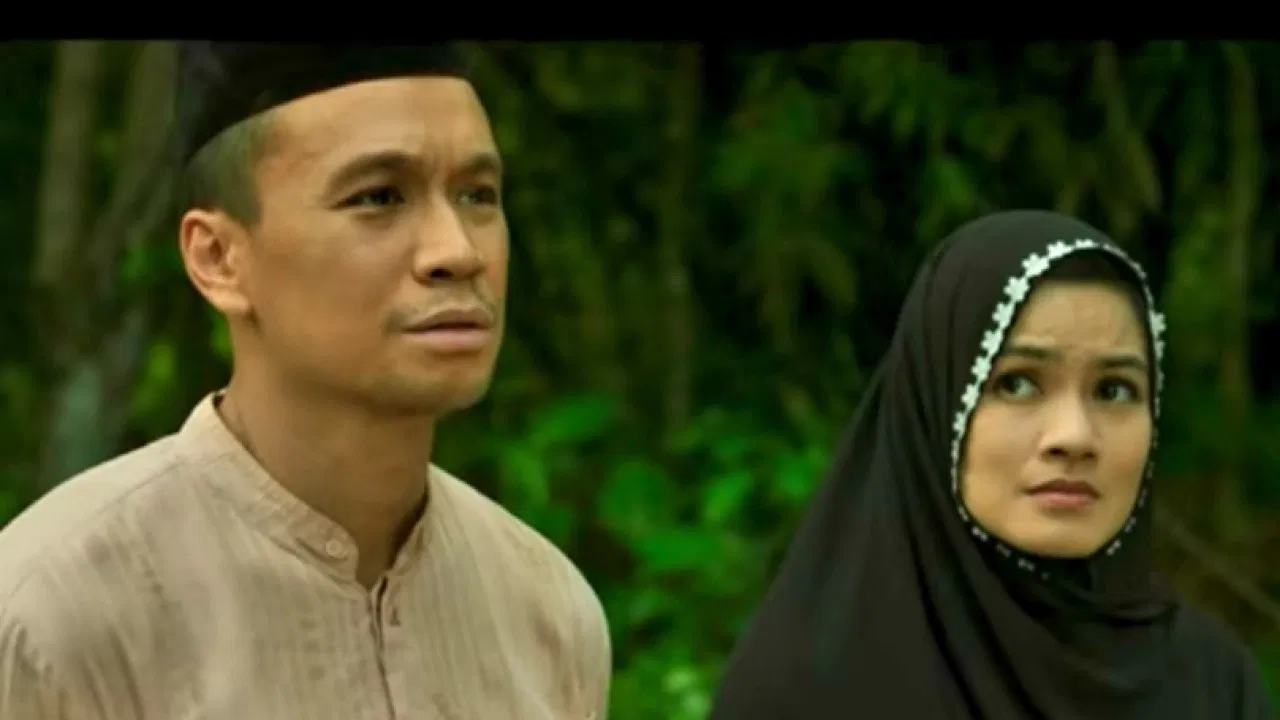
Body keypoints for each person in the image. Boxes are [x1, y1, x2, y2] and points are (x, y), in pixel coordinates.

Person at [0, 43, 611, 719]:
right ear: (218, 258)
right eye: (379, 197)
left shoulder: (545, 611)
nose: (458, 251)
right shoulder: (53, 616)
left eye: (477, 196)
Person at [709, 210, 1273, 719]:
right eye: (1018, 383)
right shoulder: (807, 694)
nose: (1075, 437)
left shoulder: (1211, 684)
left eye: (1114, 390)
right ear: (936, 406)